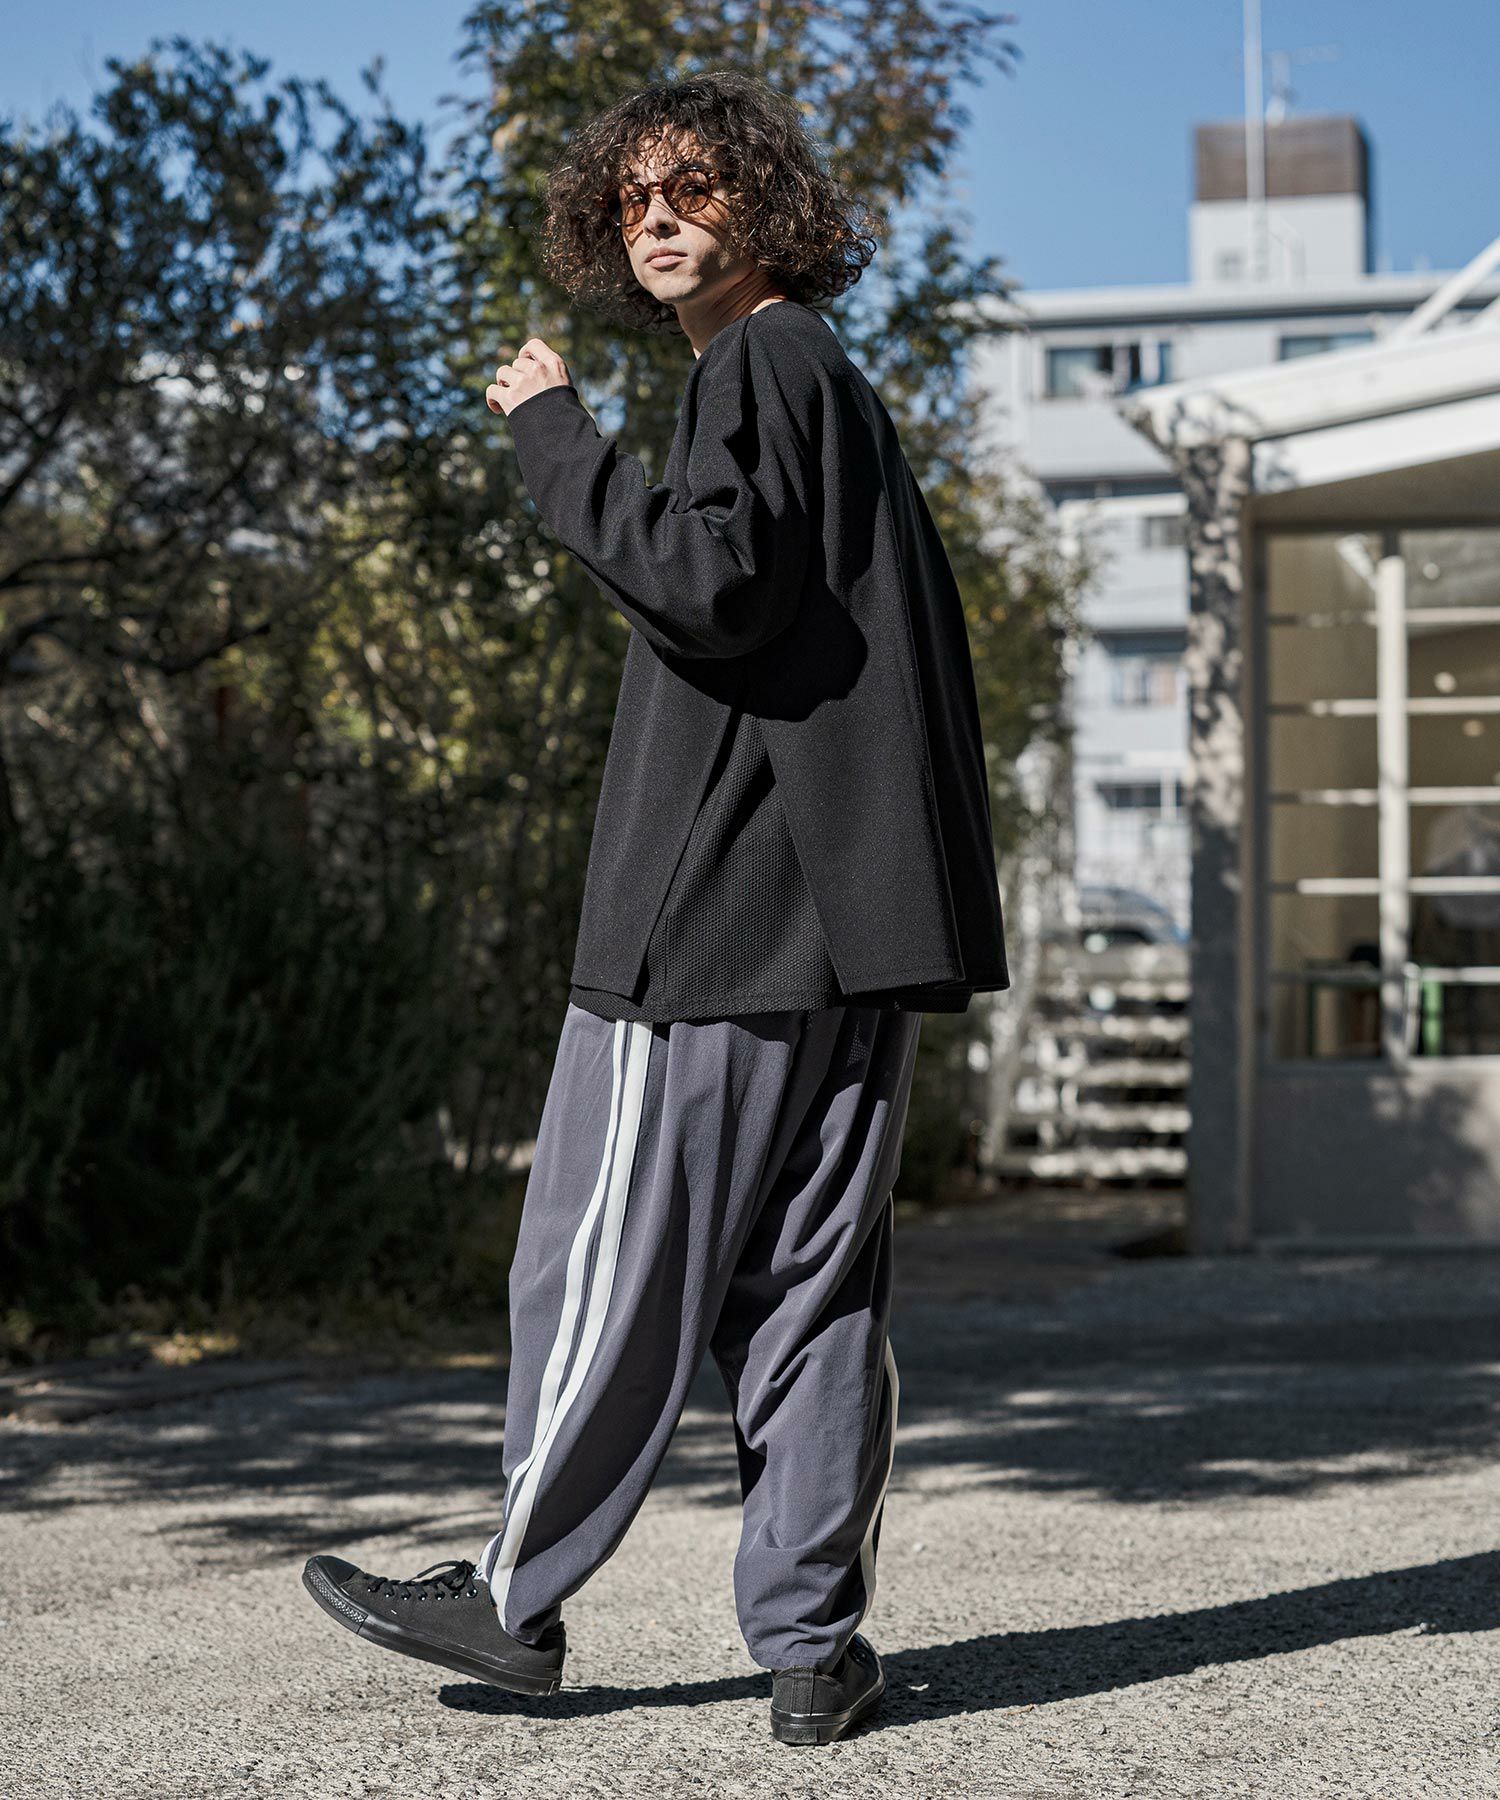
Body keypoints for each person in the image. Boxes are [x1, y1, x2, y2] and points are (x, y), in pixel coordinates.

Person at [301, 69, 1009, 1748]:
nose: (660, 218)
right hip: (848, 937)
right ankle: (814, 1649)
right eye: (633, 199)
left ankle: (511, 1597)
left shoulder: (761, 362)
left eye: (695, 187)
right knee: (812, 1297)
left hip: (718, 931)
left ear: (767, 203)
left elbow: (707, 582)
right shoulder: (828, 379)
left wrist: (552, 431)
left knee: (599, 1262)